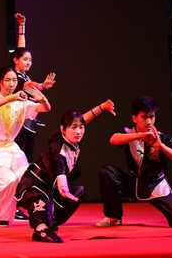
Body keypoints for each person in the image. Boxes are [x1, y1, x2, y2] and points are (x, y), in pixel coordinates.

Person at [16, 101, 116, 243]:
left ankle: (51, 220)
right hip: (34, 185)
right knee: (40, 211)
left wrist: (102, 107)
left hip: (50, 187)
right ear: (63, 129)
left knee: (79, 191)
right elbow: (60, 171)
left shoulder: (70, 139)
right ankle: (41, 229)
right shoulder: (59, 150)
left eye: (81, 127)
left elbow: (83, 119)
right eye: (74, 128)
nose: (78, 131)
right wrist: (64, 189)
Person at [96, 96, 172, 228]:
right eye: (144, 117)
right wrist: (141, 135)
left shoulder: (162, 138)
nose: (149, 121)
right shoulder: (128, 132)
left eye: (152, 117)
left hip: (156, 185)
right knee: (106, 172)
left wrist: (161, 146)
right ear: (135, 118)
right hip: (134, 183)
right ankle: (114, 217)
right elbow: (113, 139)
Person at [0, 66, 51, 227]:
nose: (11, 84)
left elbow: (46, 108)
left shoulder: (21, 104)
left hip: (12, 150)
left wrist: (42, 98)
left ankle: (41, 214)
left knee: (30, 178)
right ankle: (5, 217)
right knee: (10, 180)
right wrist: (12, 98)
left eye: (14, 80)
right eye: (7, 80)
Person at [11, 13, 56, 222]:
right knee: (19, 166)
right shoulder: (15, 77)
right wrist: (42, 86)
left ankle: (16, 205)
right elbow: (30, 85)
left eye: (30, 59)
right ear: (16, 60)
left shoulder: (23, 76)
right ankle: (15, 205)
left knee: (23, 165)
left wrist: (22, 27)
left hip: (27, 126)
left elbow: (21, 49)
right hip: (20, 128)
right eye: (25, 59)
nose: (29, 62)